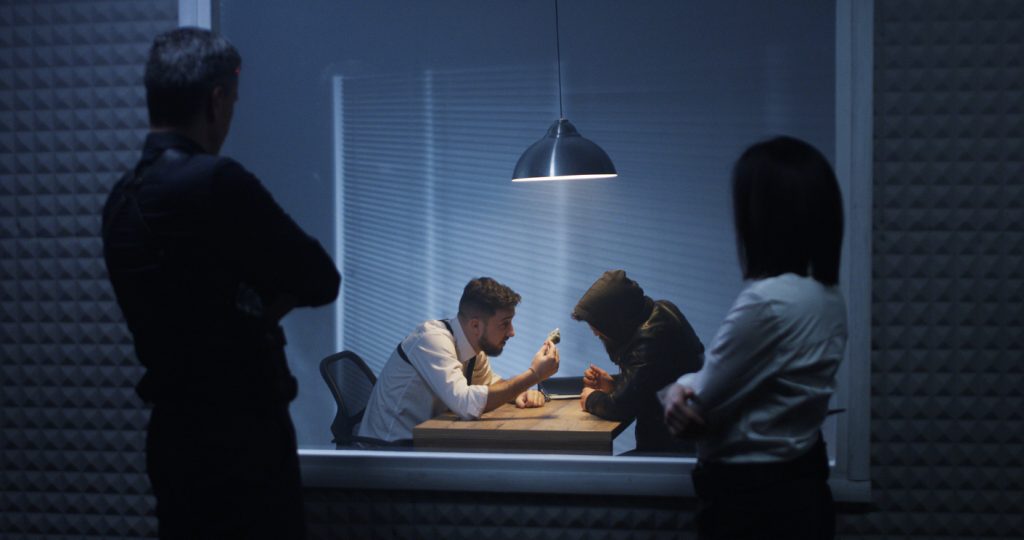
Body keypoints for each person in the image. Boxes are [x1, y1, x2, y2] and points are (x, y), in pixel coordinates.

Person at [102, 28, 340, 539]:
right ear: (216, 100)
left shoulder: (120, 202)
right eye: (232, 100)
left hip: (172, 440)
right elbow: (321, 279)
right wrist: (260, 302)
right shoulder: (216, 183)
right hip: (243, 441)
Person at [662, 136, 846, 540]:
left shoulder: (766, 303)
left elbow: (699, 406)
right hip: (802, 491)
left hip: (755, 506)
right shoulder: (826, 297)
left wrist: (679, 388)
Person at [359, 277, 559, 442]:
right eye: (505, 324)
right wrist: (534, 375)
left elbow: (491, 384)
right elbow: (466, 405)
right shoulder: (431, 339)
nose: (512, 332)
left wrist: (521, 394)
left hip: (425, 444)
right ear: (475, 326)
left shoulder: (473, 348)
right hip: (389, 451)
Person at [571, 270, 704, 453]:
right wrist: (614, 383)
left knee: (595, 476)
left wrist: (591, 399)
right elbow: (652, 381)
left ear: (614, 319)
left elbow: (620, 407)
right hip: (687, 442)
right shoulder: (662, 309)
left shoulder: (648, 341)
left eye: (599, 327)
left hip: (670, 452)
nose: (595, 333)